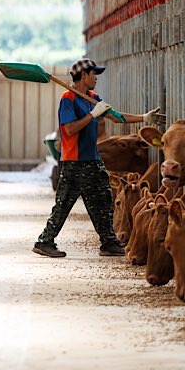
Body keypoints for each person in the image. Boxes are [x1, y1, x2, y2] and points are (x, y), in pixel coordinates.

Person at [33, 58, 161, 258]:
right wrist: (92, 115)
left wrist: (144, 118)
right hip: (74, 162)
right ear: (83, 76)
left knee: (102, 198)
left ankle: (108, 242)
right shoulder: (68, 99)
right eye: (94, 74)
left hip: (92, 159)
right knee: (64, 202)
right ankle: (44, 241)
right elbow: (68, 129)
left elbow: (116, 116)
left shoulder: (93, 97)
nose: (96, 78)